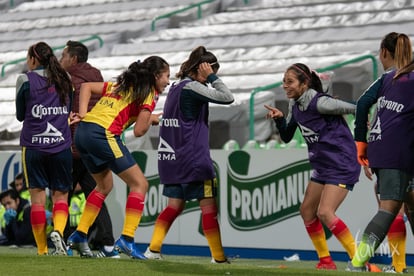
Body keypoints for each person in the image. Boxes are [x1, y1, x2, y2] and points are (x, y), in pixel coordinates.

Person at [67, 56, 170, 259]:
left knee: (104, 186)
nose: (168, 81)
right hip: (102, 135)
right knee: (140, 184)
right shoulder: (149, 93)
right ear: (156, 76)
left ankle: (79, 235)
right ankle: (127, 239)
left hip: (83, 133)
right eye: (166, 76)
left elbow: (86, 87)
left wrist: (83, 114)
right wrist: (151, 119)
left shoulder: (121, 85)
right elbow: (140, 131)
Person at [264, 63, 360, 270]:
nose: (285, 86)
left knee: (325, 212)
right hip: (323, 166)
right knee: (307, 211)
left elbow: (357, 106)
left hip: (342, 164)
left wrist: (366, 121)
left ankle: (361, 261)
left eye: (289, 82)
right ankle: (326, 261)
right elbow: (288, 136)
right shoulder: (295, 104)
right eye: (284, 81)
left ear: (304, 83)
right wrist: (280, 120)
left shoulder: (322, 103)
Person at [144, 46, 233, 263]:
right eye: (213, 70)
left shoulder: (176, 86)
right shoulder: (193, 87)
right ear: (202, 67)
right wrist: (212, 77)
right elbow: (227, 97)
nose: (214, 76)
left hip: (173, 158)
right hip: (193, 159)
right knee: (209, 206)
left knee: (174, 206)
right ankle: (218, 257)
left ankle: (153, 250)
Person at [348, 33, 413, 273]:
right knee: (389, 209)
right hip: (400, 152)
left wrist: (361, 144)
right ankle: (357, 264)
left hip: (381, 149)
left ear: (384, 52)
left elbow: (363, 103)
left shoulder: (386, 79)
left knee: (410, 203)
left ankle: (397, 266)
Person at [60, 40, 119, 258]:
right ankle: (108, 244)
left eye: (63, 56)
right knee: (97, 194)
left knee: (61, 196)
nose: (60, 60)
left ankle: (64, 242)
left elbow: (63, 111)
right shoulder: (98, 78)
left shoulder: (67, 81)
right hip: (94, 146)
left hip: (71, 146)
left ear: (73, 59)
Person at [15, 41, 74, 255]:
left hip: (33, 146)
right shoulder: (66, 79)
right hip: (61, 146)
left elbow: (21, 115)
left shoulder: (24, 79)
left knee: (37, 199)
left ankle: (42, 250)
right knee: (60, 196)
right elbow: (68, 109)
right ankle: (58, 231)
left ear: (33, 59)